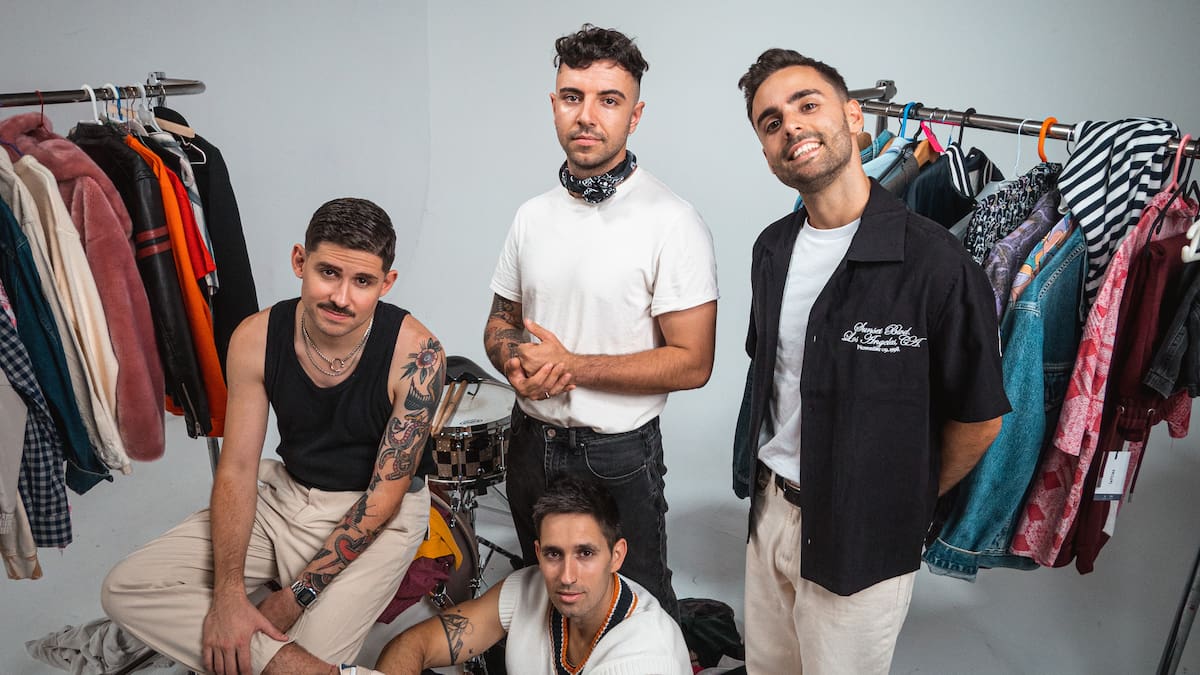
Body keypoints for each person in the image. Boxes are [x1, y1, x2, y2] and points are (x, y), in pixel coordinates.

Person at [733, 50, 1009, 673]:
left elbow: (980, 419)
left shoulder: (937, 263)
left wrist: (899, 500)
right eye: (771, 122)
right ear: (766, 150)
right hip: (768, 512)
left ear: (854, 116)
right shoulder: (771, 249)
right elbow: (769, 382)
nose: (791, 127)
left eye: (808, 105)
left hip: (865, 533)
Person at [102, 198, 442, 675]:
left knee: (294, 643)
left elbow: (384, 497)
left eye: (363, 281)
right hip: (286, 496)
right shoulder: (255, 336)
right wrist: (229, 598)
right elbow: (238, 468)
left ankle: (242, 655)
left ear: (387, 284)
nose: (342, 297)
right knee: (125, 587)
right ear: (300, 261)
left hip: (377, 515)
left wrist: (292, 598)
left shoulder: (418, 355)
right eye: (328, 273)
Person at [482, 23, 719, 620]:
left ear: (634, 116)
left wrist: (573, 368)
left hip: (617, 455)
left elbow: (693, 363)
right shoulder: (531, 216)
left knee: (640, 611)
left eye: (608, 100)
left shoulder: (672, 221)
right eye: (572, 97)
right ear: (554, 104)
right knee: (547, 603)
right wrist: (513, 361)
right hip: (529, 443)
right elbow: (501, 320)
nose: (587, 116)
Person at [369, 476, 692, 675]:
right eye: (554, 554)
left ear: (616, 555)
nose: (567, 576)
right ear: (538, 552)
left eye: (585, 554)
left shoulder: (644, 657)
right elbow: (414, 643)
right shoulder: (527, 587)